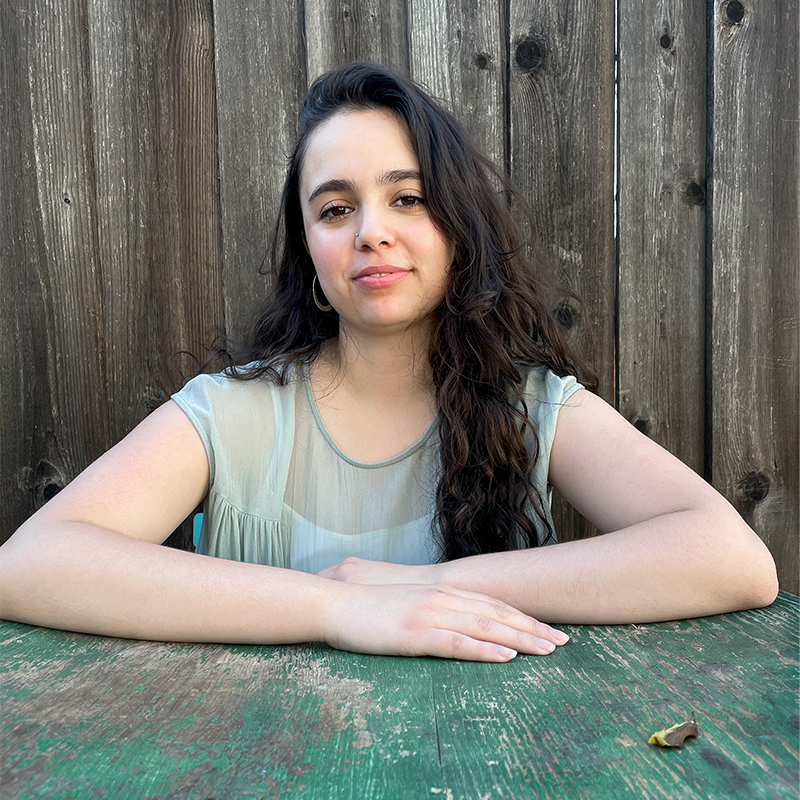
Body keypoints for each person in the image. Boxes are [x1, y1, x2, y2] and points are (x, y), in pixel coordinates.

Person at [0, 63, 778, 662]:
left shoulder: (535, 409)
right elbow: (29, 564)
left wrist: (420, 587)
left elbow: (732, 559)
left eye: (407, 198)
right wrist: (336, 608)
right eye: (335, 209)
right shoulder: (229, 415)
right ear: (309, 248)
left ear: (456, 226)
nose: (371, 231)